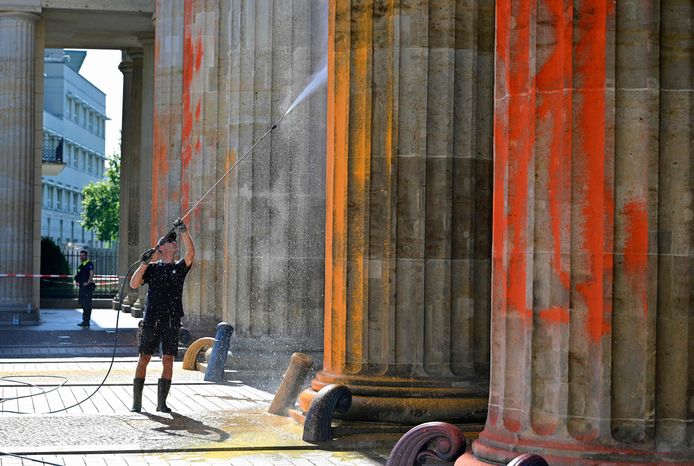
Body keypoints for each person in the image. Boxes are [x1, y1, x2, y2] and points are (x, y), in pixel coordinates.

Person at [129, 218, 195, 413]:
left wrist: (184, 231)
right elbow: (133, 284)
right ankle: (137, 403)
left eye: (174, 240)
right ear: (161, 248)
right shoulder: (153, 269)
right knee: (144, 358)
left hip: (171, 321)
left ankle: (161, 403)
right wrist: (145, 263)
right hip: (152, 320)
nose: (173, 242)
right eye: (169, 240)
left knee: (168, 360)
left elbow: (191, 253)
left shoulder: (179, 268)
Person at [74, 250, 95, 327]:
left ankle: (86, 321)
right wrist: (76, 281)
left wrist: (88, 282)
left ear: (86, 256)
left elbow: (91, 273)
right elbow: (78, 275)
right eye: (81, 255)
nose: (81, 257)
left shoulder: (89, 264)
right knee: (82, 304)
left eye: (83, 255)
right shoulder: (81, 265)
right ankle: (84, 320)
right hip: (82, 288)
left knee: (87, 305)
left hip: (87, 288)